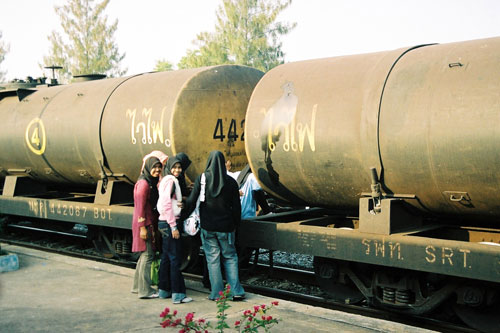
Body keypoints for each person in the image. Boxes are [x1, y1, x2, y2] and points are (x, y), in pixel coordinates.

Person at [185, 151, 245, 301]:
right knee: (230, 257)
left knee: (213, 259)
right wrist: (236, 225)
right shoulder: (231, 182)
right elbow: (237, 208)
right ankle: (236, 291)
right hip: (226, 228)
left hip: (208, 228)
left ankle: (217, 293)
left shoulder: (202, 179)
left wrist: (182, 216)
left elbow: (192, 200)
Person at [157, 157, 193, 304]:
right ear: (169, 168)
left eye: (179, 168)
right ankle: (178, 294)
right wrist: (173, 226)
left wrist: (180, 203)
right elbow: (166, 203)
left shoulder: (166, 180)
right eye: (175, 167)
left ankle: (164, 290)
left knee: (166, 257)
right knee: (175, 258)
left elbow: (169, 201)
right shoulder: (171, 181)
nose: (177, 170)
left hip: (163, 222)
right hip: (169, 223)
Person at [131, 155, 162, 299]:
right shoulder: (144, 184)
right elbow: (139, 207)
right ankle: (145, 290)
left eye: (159, 167)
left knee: (144, 255)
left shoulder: (148, 182)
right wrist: (142, 226)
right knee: (148, 255)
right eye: (154, 167)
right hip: (145, 223)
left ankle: (137, 287)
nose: (157, 169)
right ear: (148, 167)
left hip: (147, 222)